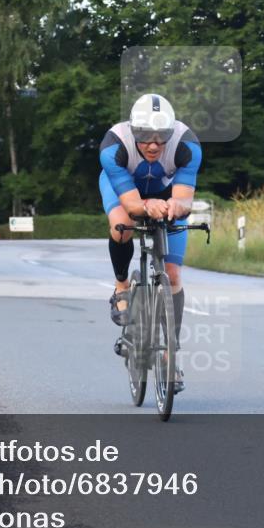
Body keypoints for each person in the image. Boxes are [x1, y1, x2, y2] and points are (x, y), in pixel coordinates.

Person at [99, 93, 203, 393]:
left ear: (171, 132)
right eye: (145, 137)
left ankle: (172, 356)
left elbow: (184, 199)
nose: (154, 145)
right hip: (124, 191)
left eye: (161, 137)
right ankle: (121, 286)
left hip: (165, 193)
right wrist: (146, 207)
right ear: (134, 131)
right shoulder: (113, 146)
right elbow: (132, 206)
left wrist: (175, 208)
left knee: (172, 276)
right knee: (122, 227)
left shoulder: (187, 145)